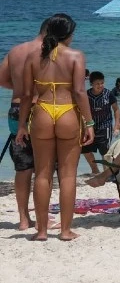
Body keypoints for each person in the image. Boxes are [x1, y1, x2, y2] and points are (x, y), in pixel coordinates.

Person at [15, 14, 93, 241]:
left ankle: (41, 231)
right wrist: (89, 122)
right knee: (67, 176)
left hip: (42, 112)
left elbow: (27, 95)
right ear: (68, 34)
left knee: (42, 173)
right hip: (68, 112)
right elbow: (79, 92)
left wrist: (22, 125)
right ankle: (65, 231)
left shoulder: (33, 57)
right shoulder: (76, 56)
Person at [0, 17, 52, 230]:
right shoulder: (50, 52)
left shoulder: (16, 51)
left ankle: (23, 219)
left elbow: (1, 79)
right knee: (44, 168)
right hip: (41, 109)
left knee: (22, 168)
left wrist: (19, 88)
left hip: (16, 109)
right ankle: (41, 219)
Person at [81, 71, 119, 177]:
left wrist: (116, 126)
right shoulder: (86, 95)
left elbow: (116, 110)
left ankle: (106, 173)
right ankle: (95, 170)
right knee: (85, 149)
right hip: (90, 126)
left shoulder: (108, 94)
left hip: (105, 125)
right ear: (91, 84)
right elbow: (81, 111)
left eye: (102, 83)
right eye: (97, 83)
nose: (100, 85)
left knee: (105, 150)